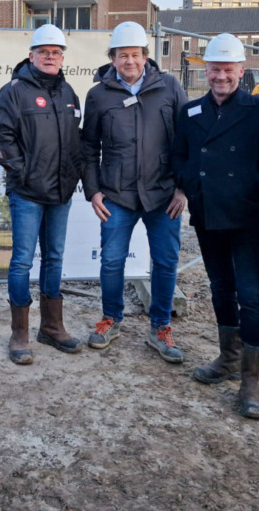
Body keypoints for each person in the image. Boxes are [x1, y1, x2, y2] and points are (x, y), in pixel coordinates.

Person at [170, 33, 259, 419]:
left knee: (250, 294)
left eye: (227, 69)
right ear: (207, 70)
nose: (220, 76)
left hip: (247, 215)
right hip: (207, 212)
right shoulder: (192, 111)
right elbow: (179, 154)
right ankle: (228, 357)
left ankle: (252, 382)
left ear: (241, 71)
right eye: (214, 69)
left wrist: (255, 184)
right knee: (220, 287)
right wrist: (193, 185)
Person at [81, 21, 188, 362]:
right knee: (112, 262)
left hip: (163, 196)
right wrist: (94, 191)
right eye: (122, 55)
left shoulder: (170, 87)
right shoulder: (98, 95)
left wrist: (183, 188)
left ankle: (160, 328)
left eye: (135, 54)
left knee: (166, 263)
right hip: (117, 196)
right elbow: (88, 148)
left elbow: (188, 141)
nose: (129, 61)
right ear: (112, 58)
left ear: (146, 56)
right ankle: (110, 319)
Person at [0, 23, 85, 364]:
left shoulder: (69, 93)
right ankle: (20, 334)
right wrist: (24, 171)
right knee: (22, 262)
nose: (50, 57)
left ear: (62, 58)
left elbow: (75, 141)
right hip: (27, 193)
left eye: (56, 53)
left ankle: (52, 327)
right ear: (31, 55)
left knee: (55, 258)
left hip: (60, 193)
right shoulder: (14, 91)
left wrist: (73, 176)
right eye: (44, 52)